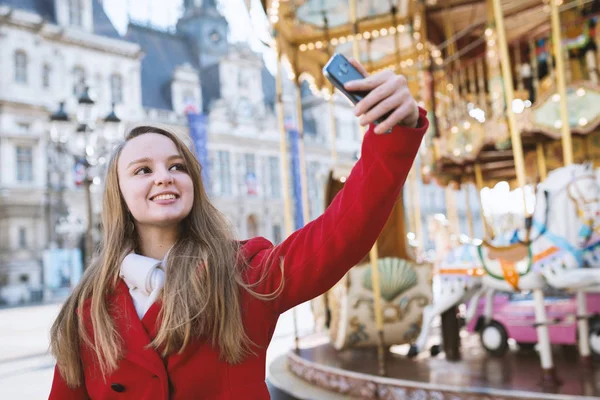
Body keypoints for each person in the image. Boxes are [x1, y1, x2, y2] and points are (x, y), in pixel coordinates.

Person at [48, 59, 428, 399]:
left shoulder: (244, 275)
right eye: (143, 170)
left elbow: (339, 235)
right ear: (118, 194)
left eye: (177, 166)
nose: (164, 177)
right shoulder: (88, 311)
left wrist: (390, 137)